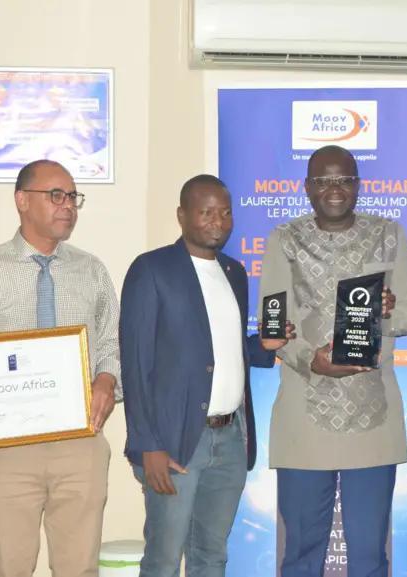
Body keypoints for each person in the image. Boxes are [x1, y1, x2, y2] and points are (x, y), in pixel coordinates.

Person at [0, 159, 121, 577]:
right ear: (21, 200)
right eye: (55, 195)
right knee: (10, 567)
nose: (67, 205)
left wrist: (107, 380)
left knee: (79, 568)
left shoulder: (91, 270)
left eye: (72, 196)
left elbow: (113, 342)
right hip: (6, 448)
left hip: (80, 443)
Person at [258, 145, 407, 577]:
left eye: (344, 180)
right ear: (307, 187)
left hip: (373, 418)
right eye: (323, 180)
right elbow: (273, 326)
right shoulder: (284, 240)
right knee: (300, 555)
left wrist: (387, 312)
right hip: (303, 418)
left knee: (370, 557)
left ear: (358, 185)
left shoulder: (390, 234)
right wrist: (310, 360)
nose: (334, 189)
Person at [120, 174, 289, 577]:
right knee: (163, 559)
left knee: (212, 556)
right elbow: (135, 362)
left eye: (225, 212)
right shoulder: (152, 269)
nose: (218, 221)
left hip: (230, 439)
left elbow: (225, 348)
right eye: (207, 212)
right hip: (175, 442)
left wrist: (263, 346)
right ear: (182, 215)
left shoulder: (234, 272)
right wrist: (148, 444)